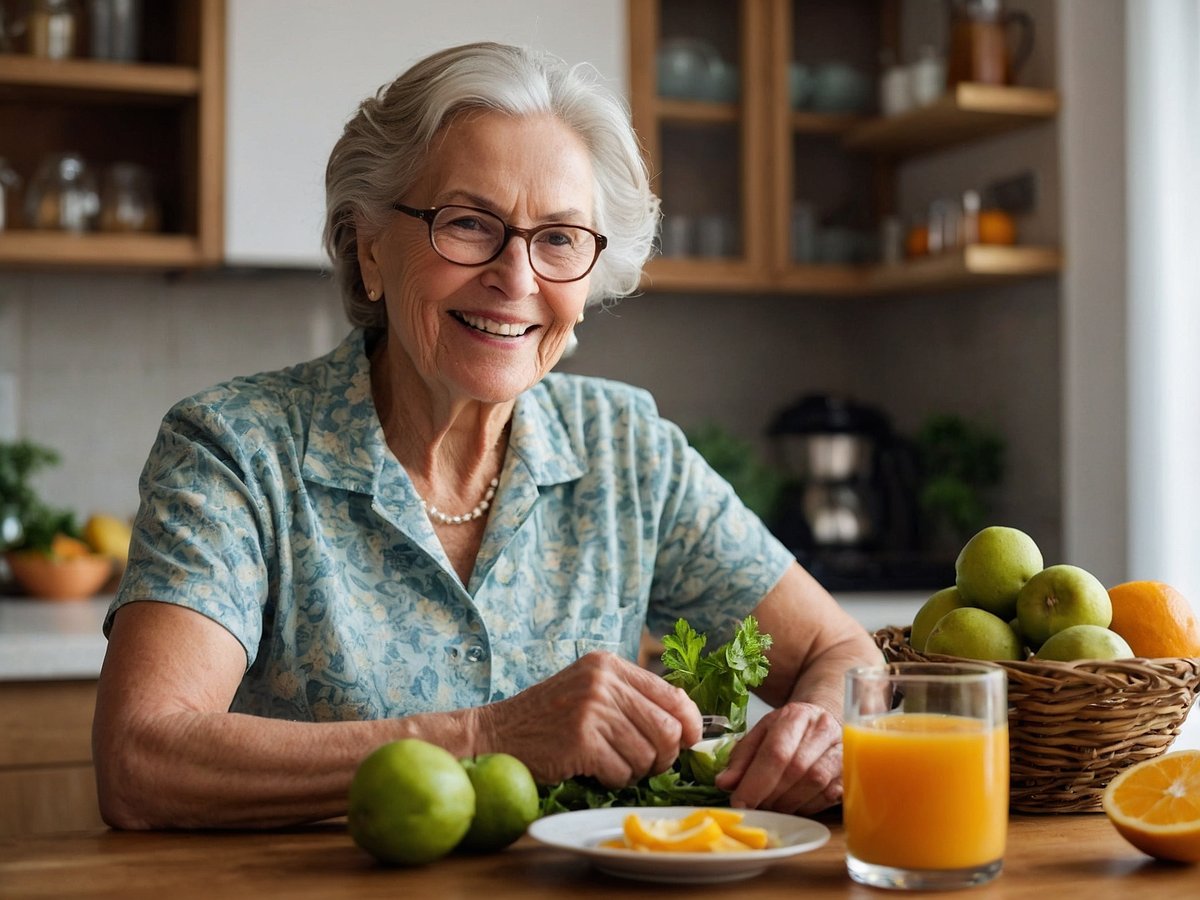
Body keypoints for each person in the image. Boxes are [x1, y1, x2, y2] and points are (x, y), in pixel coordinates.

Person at [92, 41, 882, 830]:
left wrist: (818, 732)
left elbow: (842, 657)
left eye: (560, 238)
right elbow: (143, 757)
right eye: (469, 224)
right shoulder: (235, 450)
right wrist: (491, 737)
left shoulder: (628, 448)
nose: (518, 276)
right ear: (370, 247)